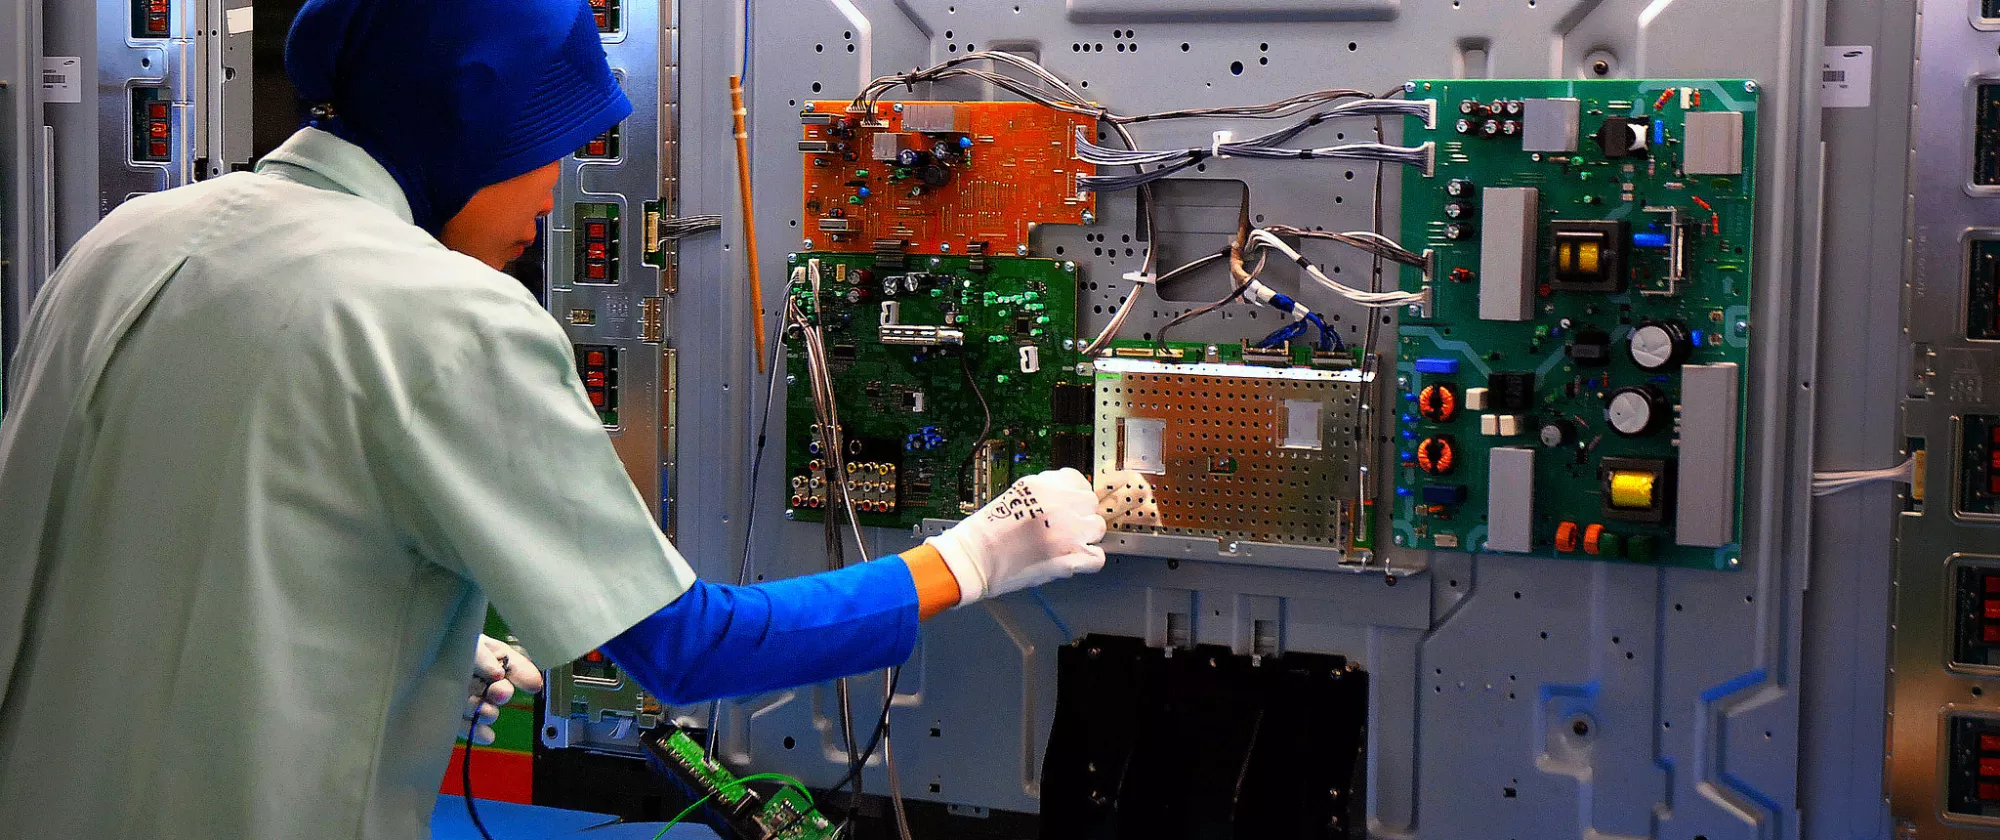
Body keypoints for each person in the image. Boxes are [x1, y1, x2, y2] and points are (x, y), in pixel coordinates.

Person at [0, 0, 1110, 836]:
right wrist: (972, 558)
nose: (554, 190)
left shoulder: (129, 238)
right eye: (552, 144)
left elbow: (159, 525)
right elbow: (686, 645)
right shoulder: (443, 313)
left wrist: (399, 626)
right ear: (468, 127)